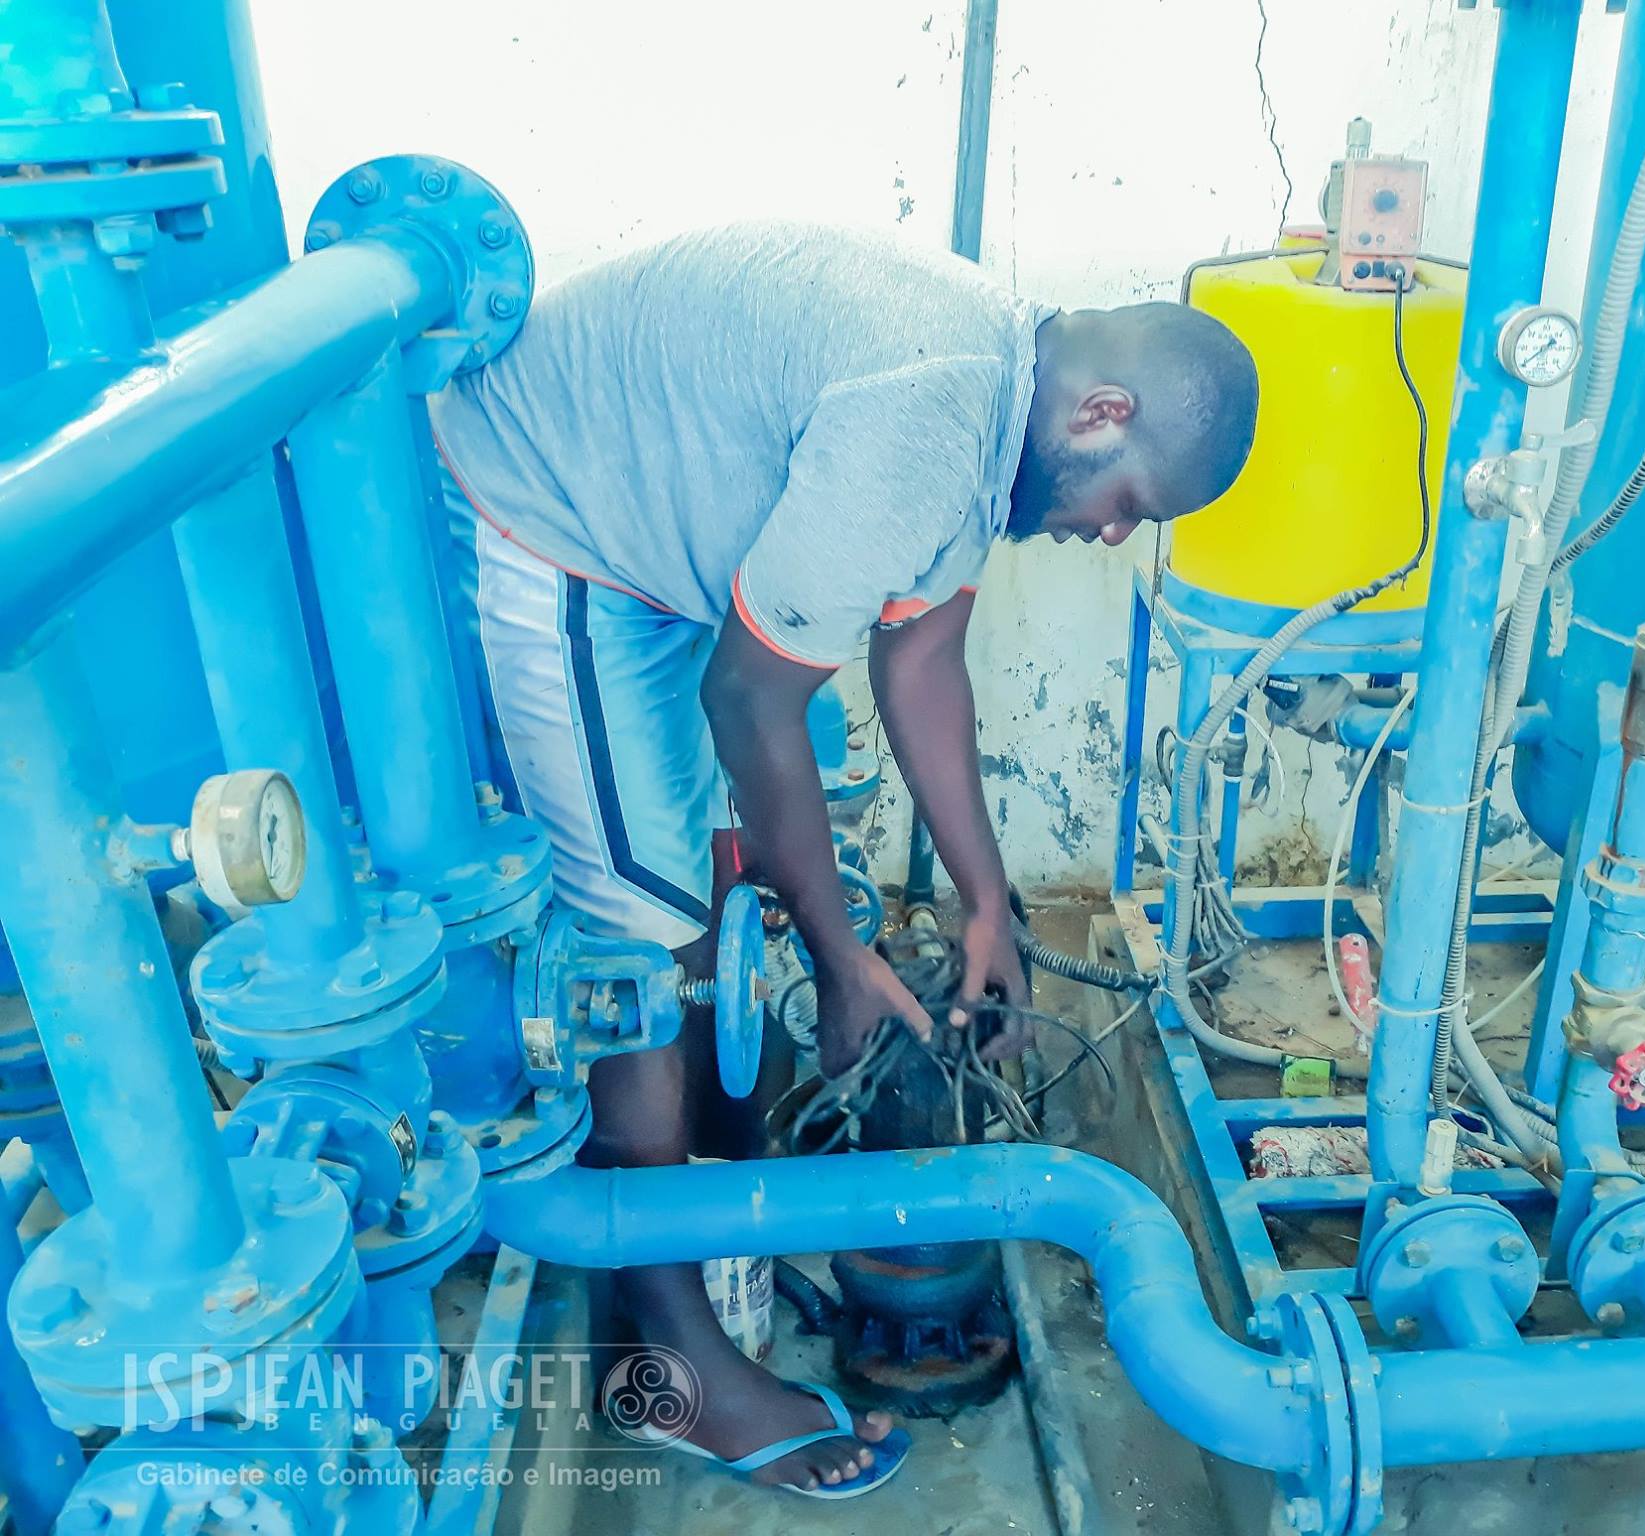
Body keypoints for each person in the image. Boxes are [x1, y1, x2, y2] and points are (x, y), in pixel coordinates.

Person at [429, 219, 1257, 1498]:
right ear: (1100, 413)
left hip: (662, 562)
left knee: (706, 905)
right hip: (563, 526)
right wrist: (838, 955)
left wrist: (991, 902)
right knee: (639, 956)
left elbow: (921, 661)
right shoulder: (925, 418)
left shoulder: (998, 400)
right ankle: (677, 1369)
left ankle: (713, 1212)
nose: (1106, 537)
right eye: (1126, 508)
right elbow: (751, 703)